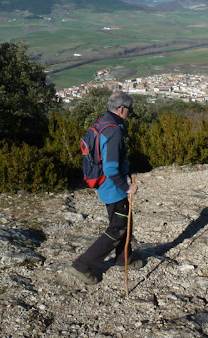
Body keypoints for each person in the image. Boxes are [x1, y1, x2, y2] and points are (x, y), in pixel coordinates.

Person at [69, 91, 142, 285]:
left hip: (103, 183)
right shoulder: (114, 132)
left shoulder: (101, 123)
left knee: (125, 222)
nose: (130, 114)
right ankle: (82, 265)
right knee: (117, 228)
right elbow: (110, 167)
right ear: (122, 109)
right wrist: (126, 188)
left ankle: (123, 259)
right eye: (129, 110)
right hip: (113, 187)